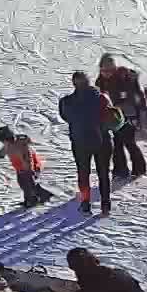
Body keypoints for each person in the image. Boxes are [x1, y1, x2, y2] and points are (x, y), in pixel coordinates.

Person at [59, 71, 115, 214]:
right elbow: (112, 117)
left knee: (83, 173)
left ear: (73, 83)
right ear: (89, 81)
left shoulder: (67, 101)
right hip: (102, 139)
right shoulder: (102, 98)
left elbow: (65, 117)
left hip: (80, 141)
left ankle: (85, 203)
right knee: (103, 173)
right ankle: (105, 204)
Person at [96, 54, 147, 179]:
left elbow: (137, 99)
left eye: (109, 71)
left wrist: (138, 118)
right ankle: (120, 170)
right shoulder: (101, 81)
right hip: (114, 117)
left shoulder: (125, 79)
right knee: (117, 143)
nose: (106, 73)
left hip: (128, 116)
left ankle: (139, 168)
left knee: (129, 142)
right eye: (104, 71)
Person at [0, 126, 55, 207]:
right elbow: (1, 154)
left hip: (27, 168)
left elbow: (28, 155)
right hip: (19, 169)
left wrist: (30, 168)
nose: (3, 142)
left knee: (30, 185)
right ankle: (29, 200)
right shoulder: (8, 146)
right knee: (23, 184)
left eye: (3, 140)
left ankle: (44, 196)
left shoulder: (20, 143)